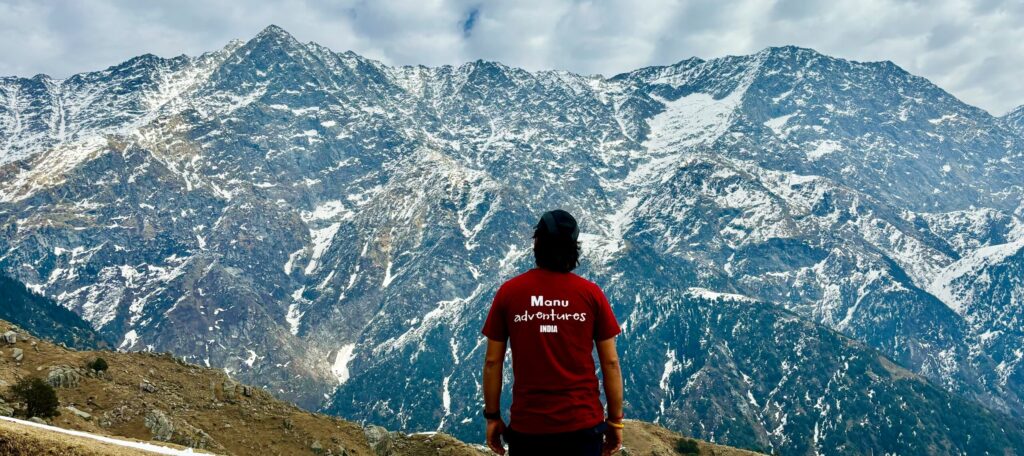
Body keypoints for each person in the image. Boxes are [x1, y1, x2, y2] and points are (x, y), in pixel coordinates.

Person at [481, 209, 624, 456]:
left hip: (529, 429)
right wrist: (615, 421)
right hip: (583, 427)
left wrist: (492, 417)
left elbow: (492, 362)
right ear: (573, 248)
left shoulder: (509, 292)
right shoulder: (591, 294)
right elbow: (610, 363)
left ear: (537, 243)